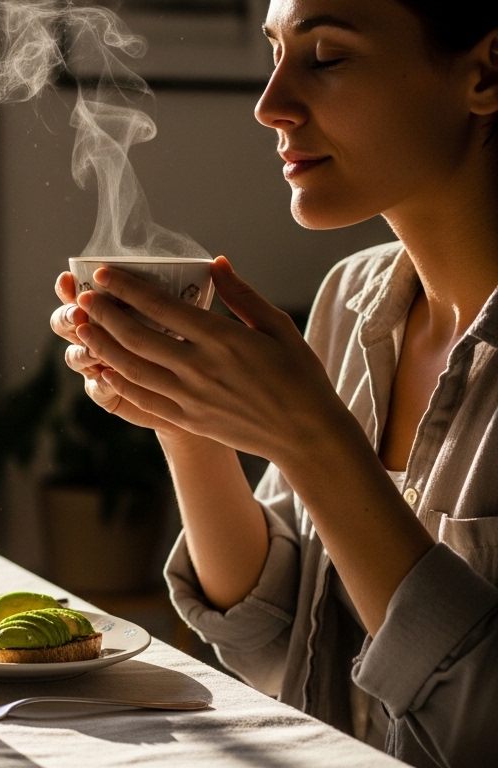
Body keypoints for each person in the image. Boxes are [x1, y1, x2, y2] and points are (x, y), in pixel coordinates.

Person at [49, 1, 498, 766]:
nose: (270, 105)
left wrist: (311, 438)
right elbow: (280, 644)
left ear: (484, 73)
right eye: (274, 51)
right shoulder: (347, 301)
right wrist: (183, 420)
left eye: (325, 57)